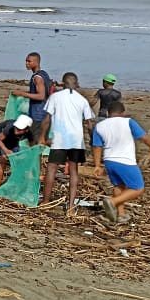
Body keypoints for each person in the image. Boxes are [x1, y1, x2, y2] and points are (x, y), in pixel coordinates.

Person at [92, 100, 150, 224]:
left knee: (119, 186)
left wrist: (97, 165)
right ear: (123, 113)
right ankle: (112, 202)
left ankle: (120, 214)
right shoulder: (128, 122)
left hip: (109, 161)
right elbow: (143, 137)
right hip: (125, 160)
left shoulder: (100, 126)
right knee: (138, 188)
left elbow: (96, 146)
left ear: (108, 113)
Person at [40, 72, 94, 209]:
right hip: (76, 140)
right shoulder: (82, 100)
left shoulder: (55, 97)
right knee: (74, 171)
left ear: (62, 83)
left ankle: (46, 201)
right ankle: (70, 206)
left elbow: (46, 120)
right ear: (76, 84)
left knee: (52, 168)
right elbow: (89, 124)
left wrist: (42, 137)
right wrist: (93, 141)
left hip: (60, 138)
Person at [9, 52, 52, 132]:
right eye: (26, 61)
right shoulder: (44, 74)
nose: (26, 63)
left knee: (36, 138)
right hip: (44, 112)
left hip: (38, 114)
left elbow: (41, 96)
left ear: (36, 62)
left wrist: (22, 94)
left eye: (29, 61)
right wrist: (23, 92)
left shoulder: (37, 78)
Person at [0, 114, 33, 187]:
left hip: (14, 140)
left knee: (17, 161)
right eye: (16, 128)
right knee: (2, 160)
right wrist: (6, 150)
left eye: (19, 129)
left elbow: (32, 146)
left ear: (26, 130)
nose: (16, 131)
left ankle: (13, 184)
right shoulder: (9, 128)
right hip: (0, 136)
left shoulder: (29, 133)